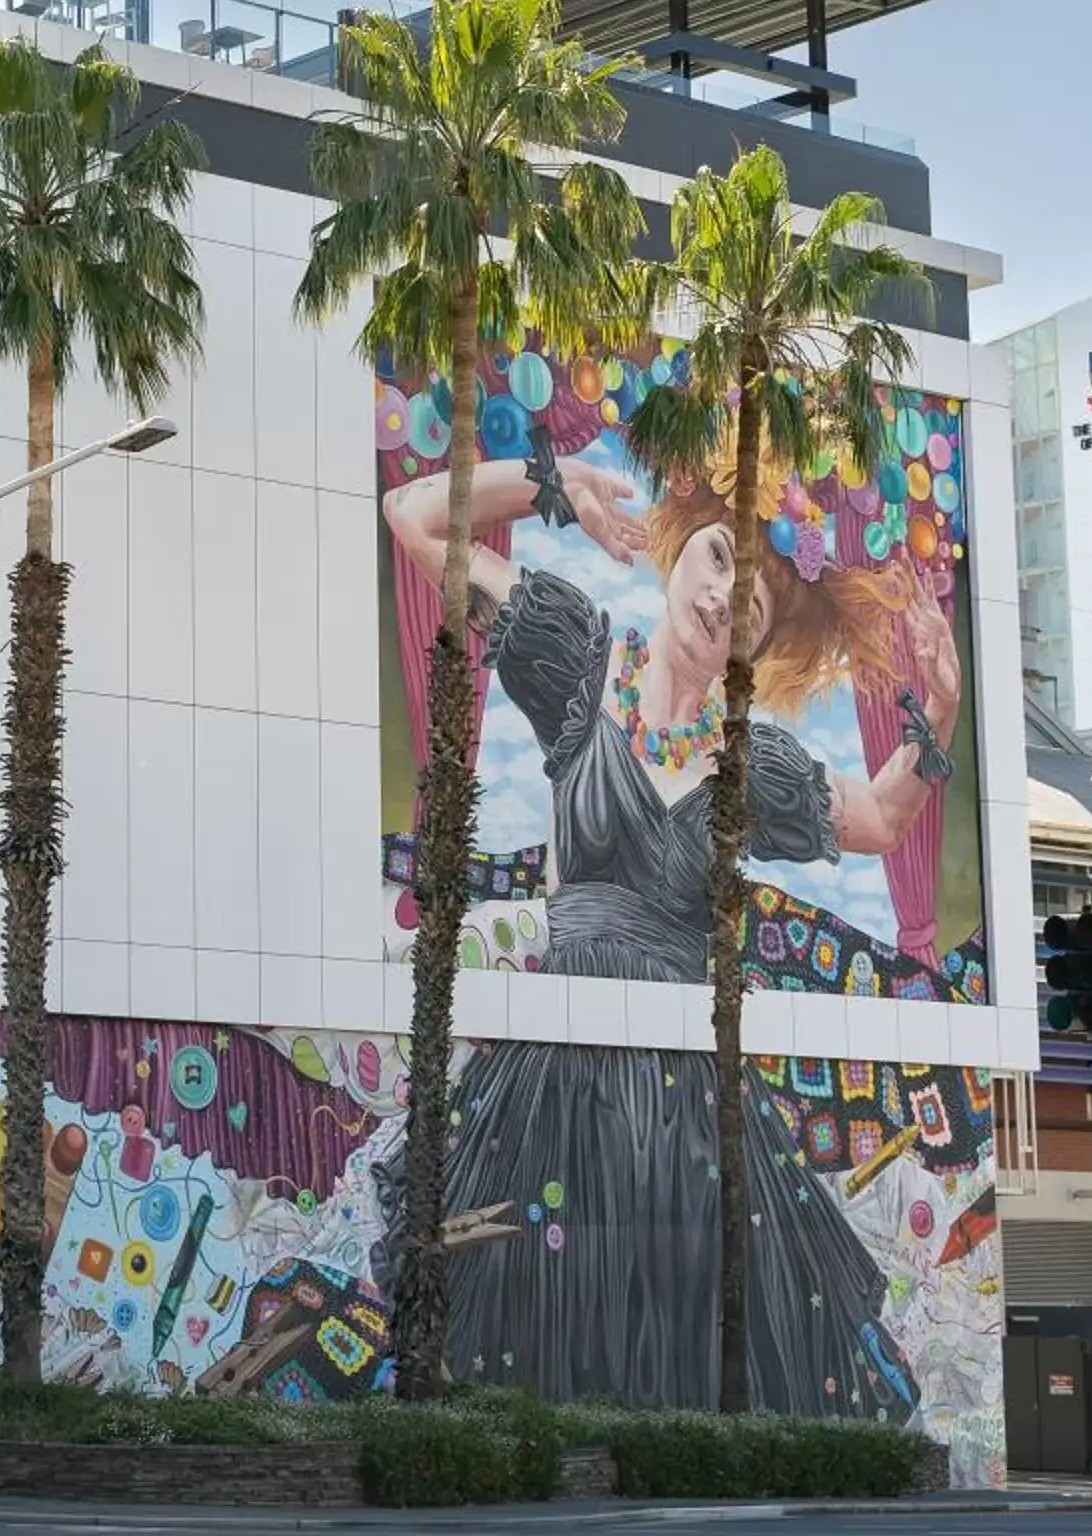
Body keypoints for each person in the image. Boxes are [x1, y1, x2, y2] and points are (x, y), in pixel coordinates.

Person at [375, 439, 961, 1414]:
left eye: (756, 603)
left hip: (686, 1098)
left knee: (686, 1350)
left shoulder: (748, 764)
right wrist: (553, 485)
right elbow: (412, 515)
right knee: (538, 1326)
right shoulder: (577, 660)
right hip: (555, 1081)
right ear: (682, 548)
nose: (726, 593)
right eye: (720, 558)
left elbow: (881, 817)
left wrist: (936, 710)